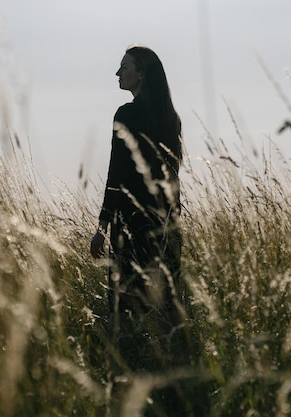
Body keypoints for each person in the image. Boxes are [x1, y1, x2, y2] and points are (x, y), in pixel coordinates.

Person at [90, 45, 191, 416]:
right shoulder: (171, 117)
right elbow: (173, 178)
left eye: (124, 67)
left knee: (122, 310)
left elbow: (117, 175)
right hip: (165, 225)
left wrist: (101, 227)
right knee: (166, 310)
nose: (118, 74)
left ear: (142, 74)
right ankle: (173, 389)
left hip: (130, 227)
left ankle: (124, 391)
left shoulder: (126, 114)